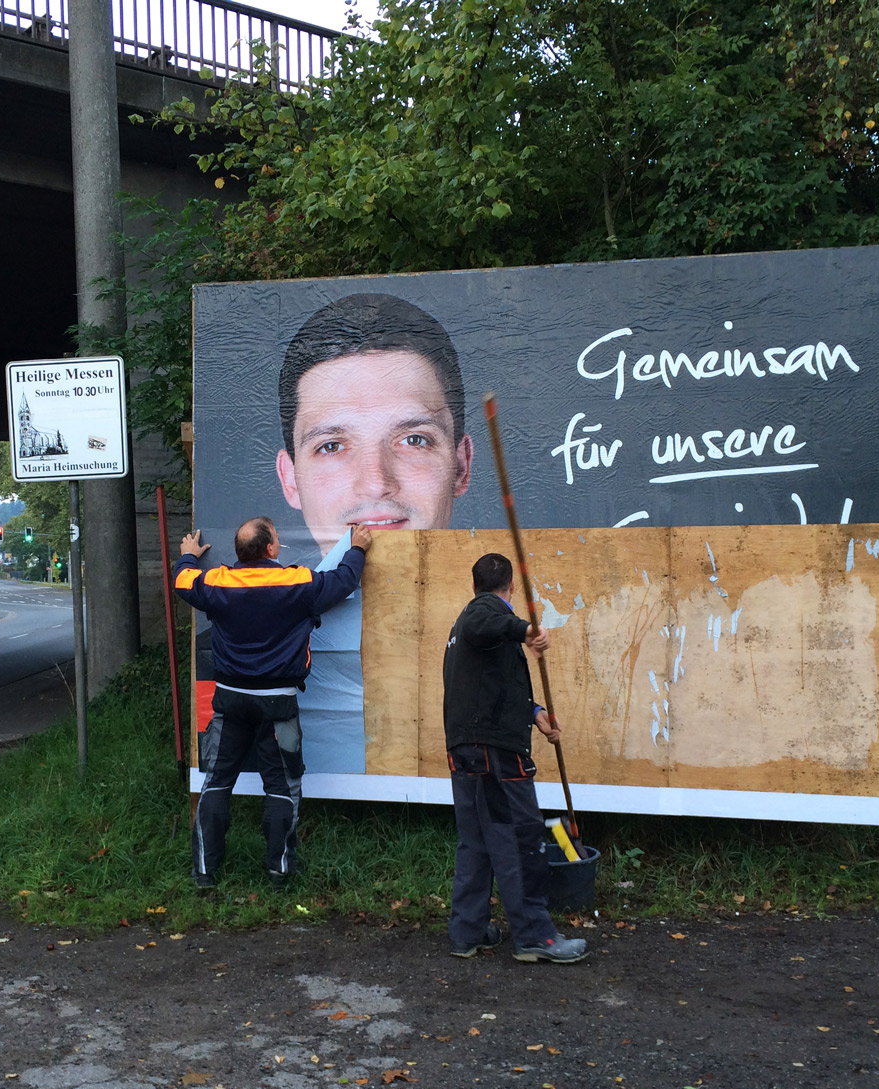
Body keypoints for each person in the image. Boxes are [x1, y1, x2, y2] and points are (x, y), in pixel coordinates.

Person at [270, 293, 474, 775]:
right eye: (333, 445)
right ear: (290, 479)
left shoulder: (533, 639)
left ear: (461, 465)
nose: (376, 482)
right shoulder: (231, 646)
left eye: (413, 439)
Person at [175, 516, 374, 889]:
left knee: (217, 782)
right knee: (282, 787)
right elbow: (343, 581)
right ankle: (279, 871)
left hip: (230, 700)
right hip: (278, 704)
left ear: (239, 552)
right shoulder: (296, 581)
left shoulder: (218, 581)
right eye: (278, 538)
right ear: (270, 549)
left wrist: (187, 556)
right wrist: (358, 548)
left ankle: (204, 872)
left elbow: (183, 582)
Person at [442, 552, 588, 964]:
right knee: (520, 839)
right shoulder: (483, 614)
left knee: (478, 843)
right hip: (496, 757)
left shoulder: (468, 631)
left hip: (470, 750)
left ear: (474, 583)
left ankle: (467, 933)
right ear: (510, 589)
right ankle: (535, 938)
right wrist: (525, 628)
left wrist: (537, 714)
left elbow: (494, 689)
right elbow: (486, 620)